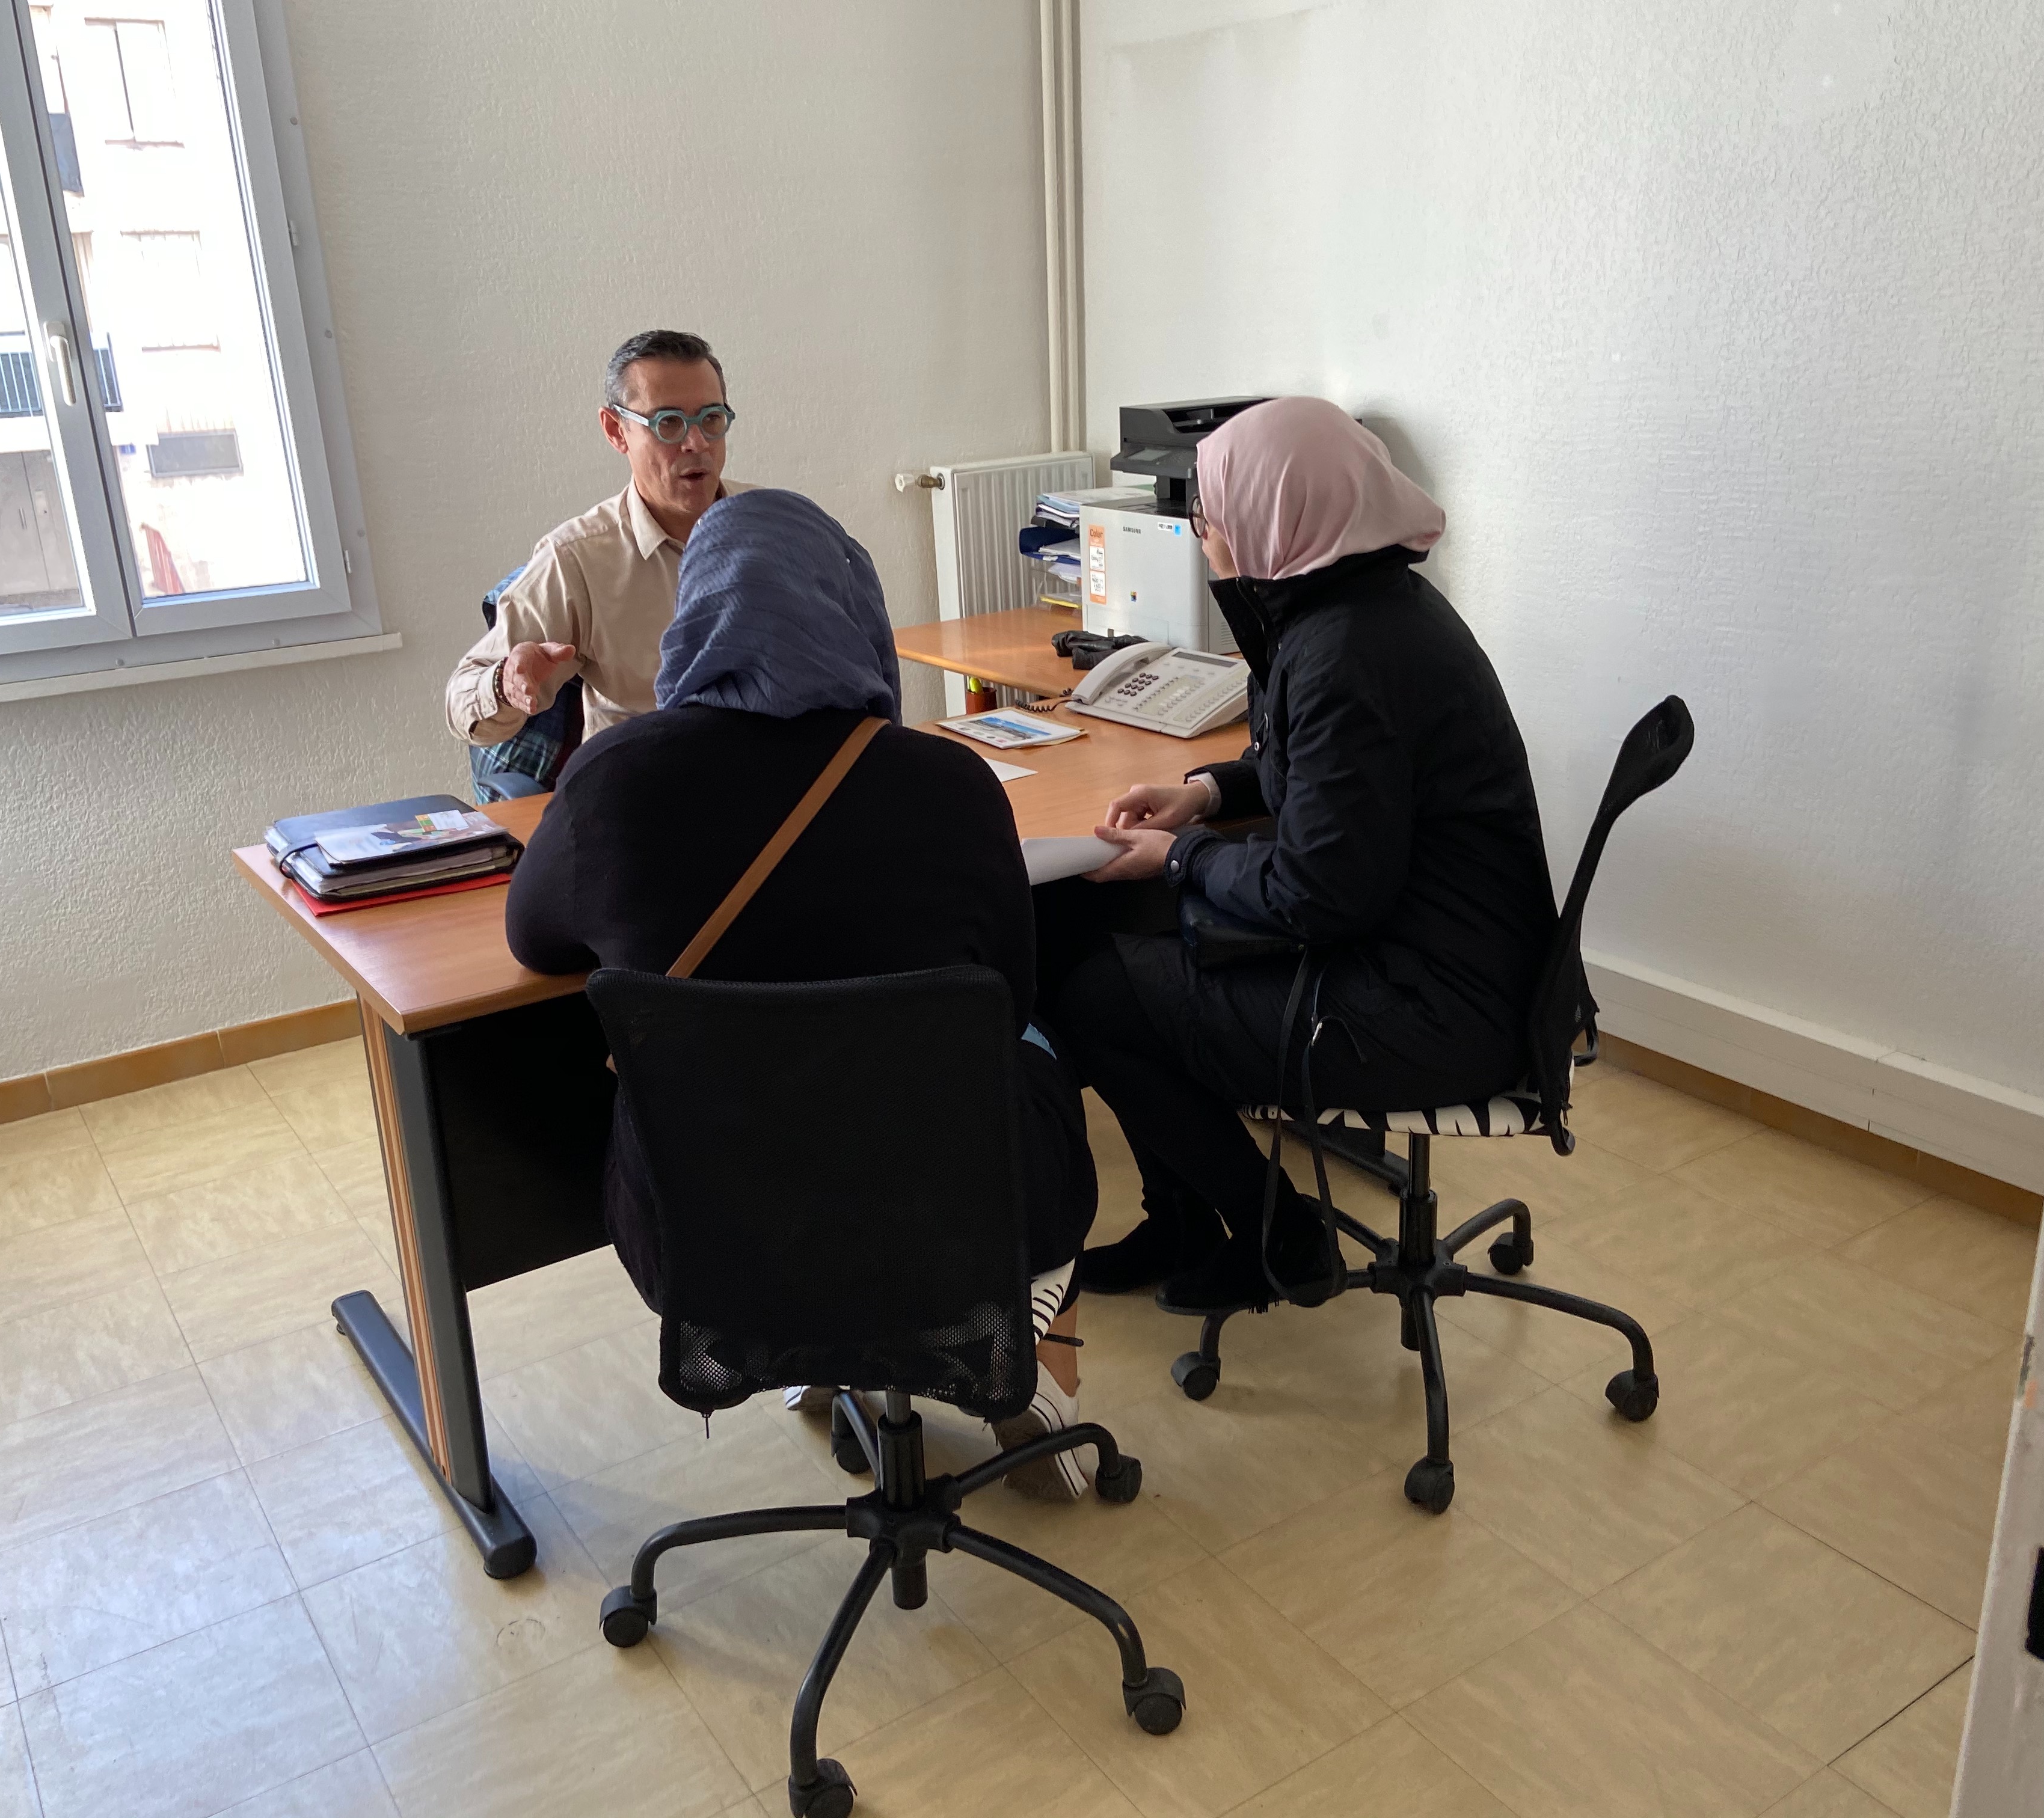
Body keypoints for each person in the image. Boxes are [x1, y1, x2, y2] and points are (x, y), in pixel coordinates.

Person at [505, 488, 1105, 1501]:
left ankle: (822, 1342)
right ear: (851, 609)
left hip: (709, 1226)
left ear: (695, 615)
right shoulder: (947, 783)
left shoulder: (614, 780)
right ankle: (1040, 1359)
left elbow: (534, 936)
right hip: (958, 1203)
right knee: (1035, 1036)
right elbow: (1009, 991)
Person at [1052, 396, 1561, 1312]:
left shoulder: (1345, 652)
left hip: (1430, 1008)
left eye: (1209, 512)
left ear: (1273, 514)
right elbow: (1310, 769)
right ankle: (1185, 1221)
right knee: (1111, 933)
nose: (1204, 531)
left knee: (1095, 994)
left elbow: (1318, 890)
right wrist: (1207, 796)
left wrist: (1181, 858)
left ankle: (1278, 1235)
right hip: (1449, 961)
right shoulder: (1360, 608)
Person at [444, 328, 746, 753]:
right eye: (669, 423)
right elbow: (461, 700)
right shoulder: (578, 559)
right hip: (647, 777)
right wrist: (505, 683)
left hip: (778, 772)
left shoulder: (779, 526)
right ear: (616, 430)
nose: (696, 443)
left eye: (711, 419)